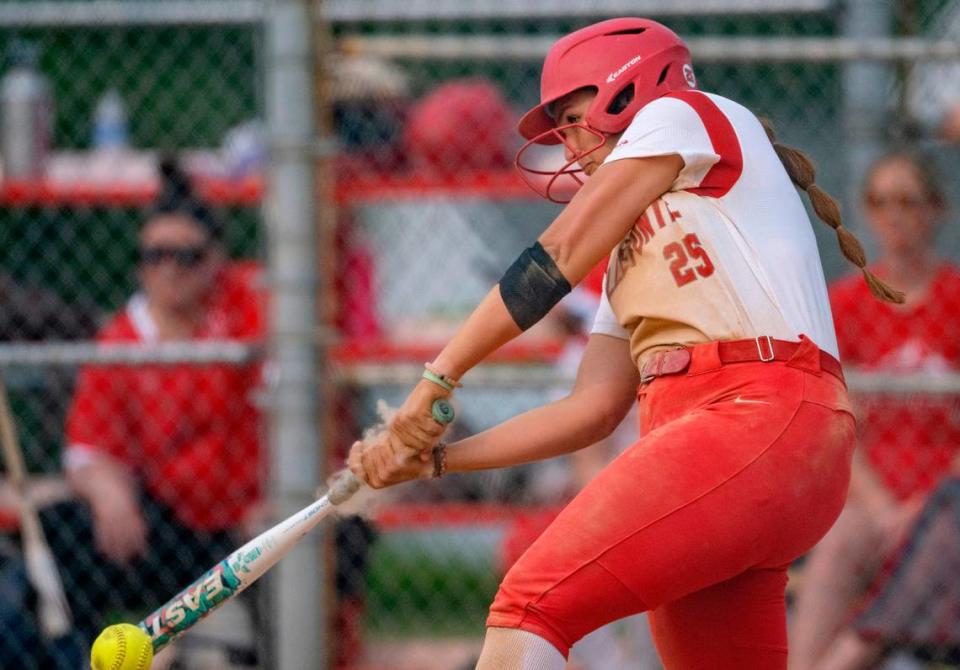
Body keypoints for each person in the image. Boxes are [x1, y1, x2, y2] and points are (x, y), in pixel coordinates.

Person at [348, 17, 904, 669]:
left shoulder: (683, 112)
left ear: (625, 89)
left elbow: (554, 254)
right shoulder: (629, 247)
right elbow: (592, 410)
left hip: (753, 418)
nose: (568, 143)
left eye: (573, 116)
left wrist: (438, 379)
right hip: (744, 453)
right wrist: (441, 460)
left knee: (529, 607)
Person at [39, 158, 264, 667]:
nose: (169, 269)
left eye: (186, 256)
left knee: (337, 533)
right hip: (170, 522)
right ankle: (71, 656)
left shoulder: (243, 307)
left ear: (215, 262)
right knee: (62, 527)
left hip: (248, 520)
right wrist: (108, 491)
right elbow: (87, 448)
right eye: (154, 255)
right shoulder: (123, 338)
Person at [788, 152, 960, 670]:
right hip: (869, 492)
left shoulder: (955, 298)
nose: (895, 215)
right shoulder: (848, 303)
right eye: (881, 203)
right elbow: (837, 423)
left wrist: (921, 508)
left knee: (929, 544)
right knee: (843, 542)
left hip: (946, 496)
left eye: (908, 201)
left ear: (936, 211)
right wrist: (882, 506)